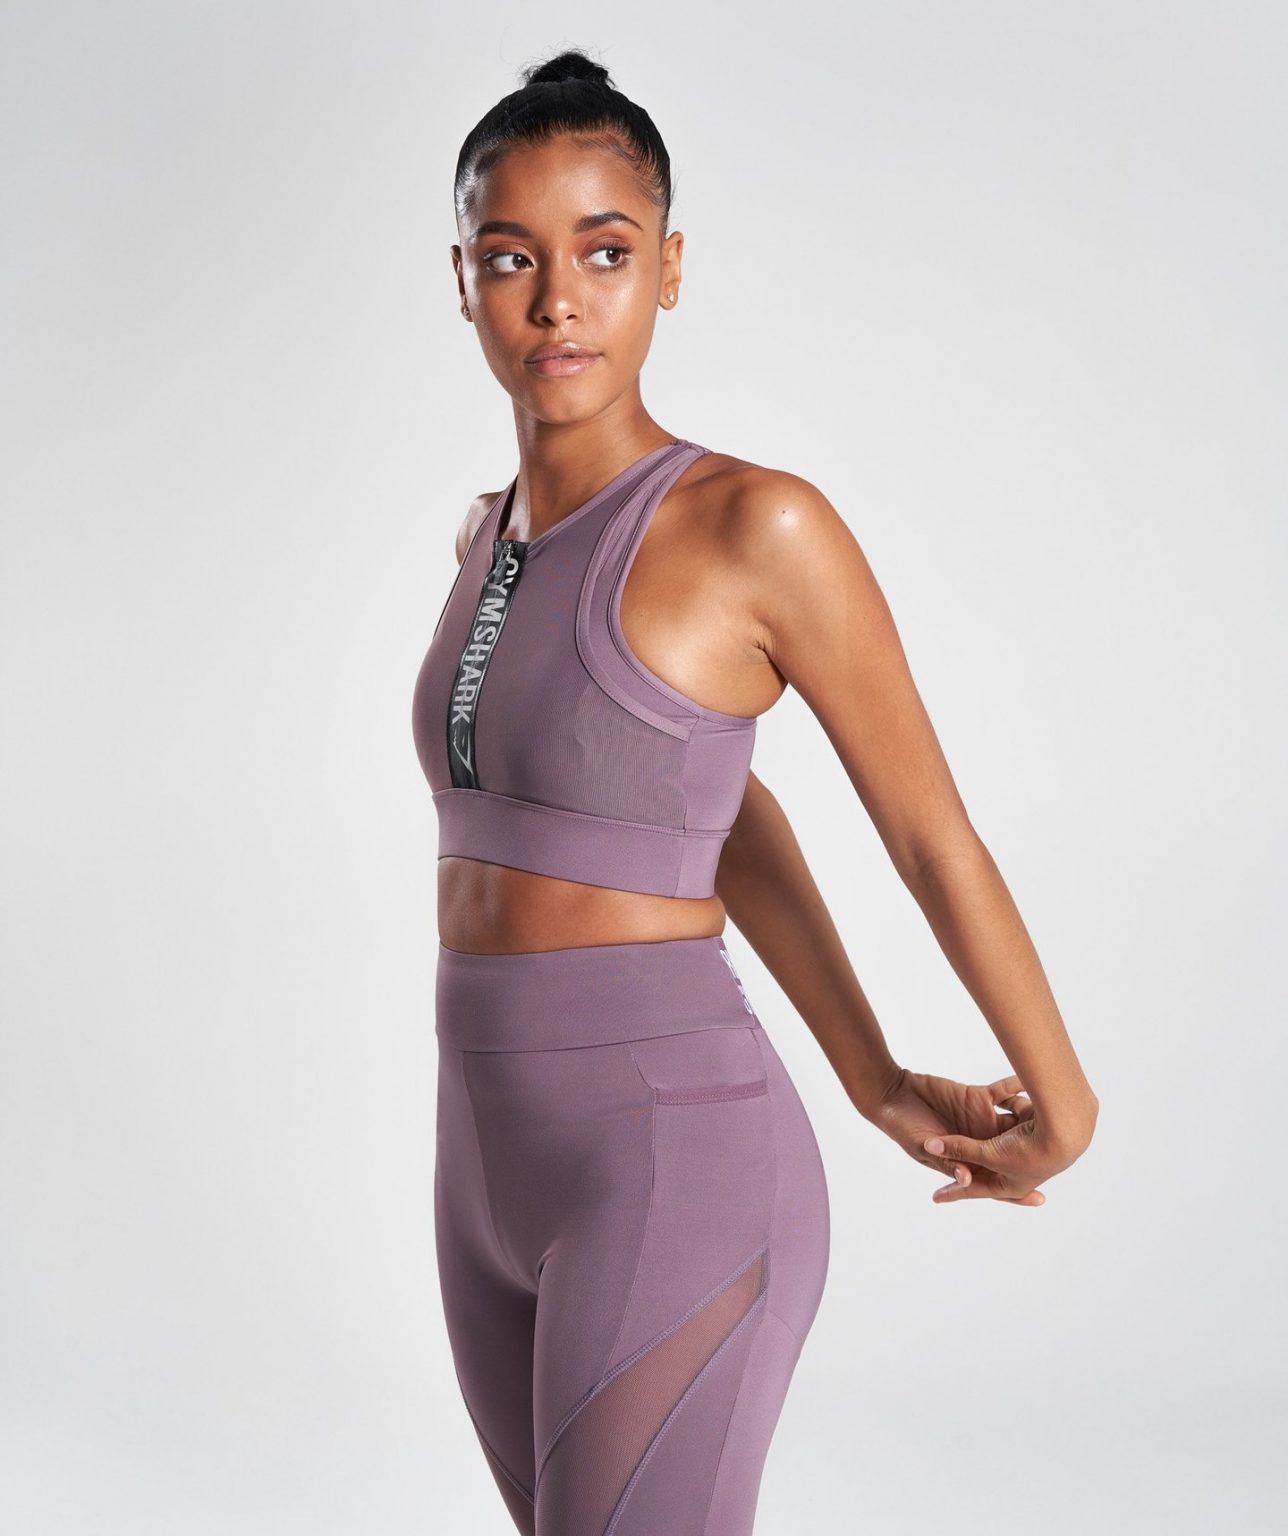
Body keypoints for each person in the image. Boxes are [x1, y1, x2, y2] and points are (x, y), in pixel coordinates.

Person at [411, 46, 1098, 1536]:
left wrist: (1065, 1100)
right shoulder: (486, 540)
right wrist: (871, 1071)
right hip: (483, 1151)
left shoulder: (755, 526)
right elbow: (703, 811)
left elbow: (931, 836)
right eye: (512, 258)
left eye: (604, 253)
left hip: (670, 1157)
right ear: (462, 282)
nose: (558, 300)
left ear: (668, 268)